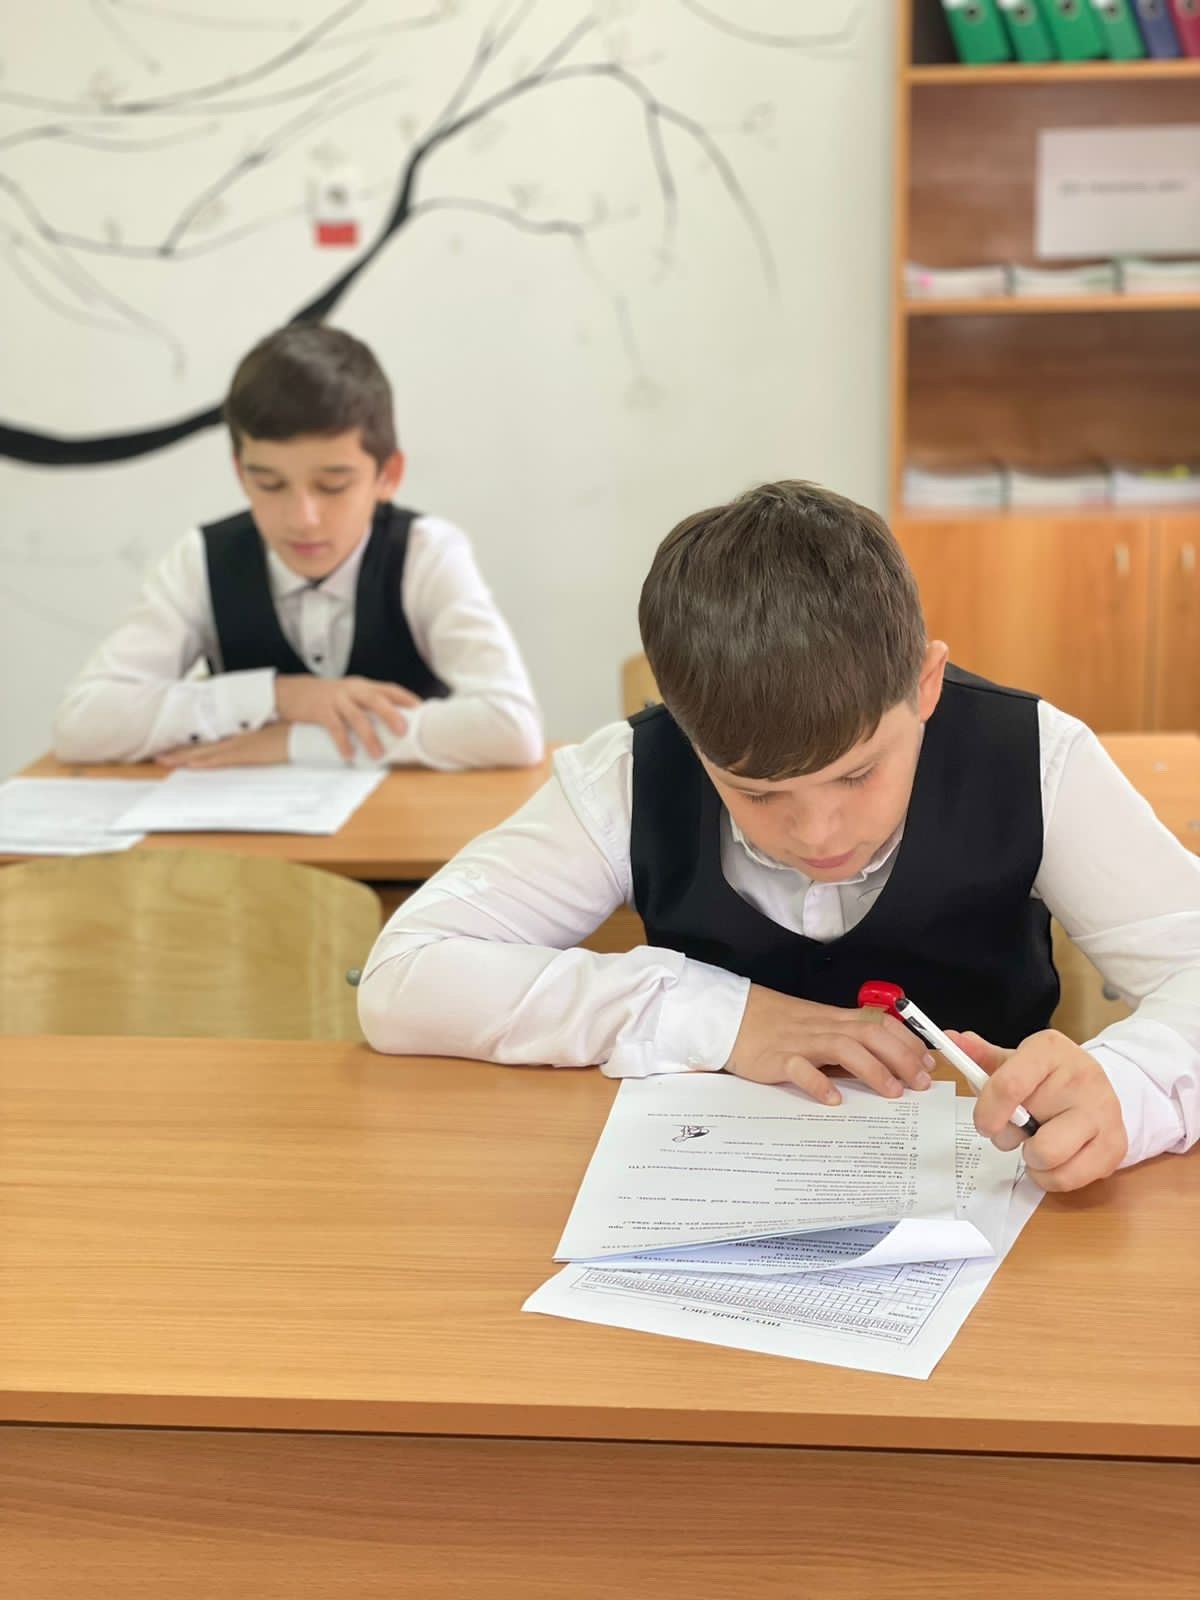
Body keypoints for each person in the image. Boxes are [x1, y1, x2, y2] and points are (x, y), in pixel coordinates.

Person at [356, 480, 1200, 1192]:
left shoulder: (1036, 757)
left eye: (858, 774)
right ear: (689, 732)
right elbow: (405, 975)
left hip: (995, 1207)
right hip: (702, 1203)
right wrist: (716, 1016)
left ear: (926, 684)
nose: (818, 832)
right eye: (757, 792)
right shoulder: (632, 771)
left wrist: (1128, 1085)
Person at [53, 324, 543, 770]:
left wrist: (295, 742)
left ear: (387, 475)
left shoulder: (425, 552)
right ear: (240, 472)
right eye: (269, 484)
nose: (302, 518)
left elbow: (512, 728)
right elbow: (82, 723)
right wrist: (278, 696)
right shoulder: (202, 558)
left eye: (332, 486)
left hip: (409, 831)